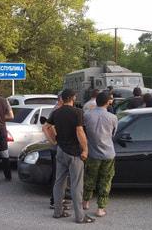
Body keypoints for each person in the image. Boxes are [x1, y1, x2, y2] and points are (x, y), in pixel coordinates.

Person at [42, 89, 95, 224]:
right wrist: (85, 149)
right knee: (77, 185)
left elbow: (45, 127)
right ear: (73, 98)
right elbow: (79, 131)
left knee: (59, 182)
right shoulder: (77, 112)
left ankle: (58, 212)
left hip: (61, 150)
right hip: (74, 153)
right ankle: (80, 216)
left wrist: (52, 141)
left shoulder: (56, 112)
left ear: (62, 99)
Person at [83, 92, 118, 217]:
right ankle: (100, 208)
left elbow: (84, 132)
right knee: (105, 180)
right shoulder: (113, 118)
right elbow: (113, 134)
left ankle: (85, 201)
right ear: (108, 102)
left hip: (92, 152)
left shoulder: (87, 115)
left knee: (89, 177)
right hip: (108, 153)